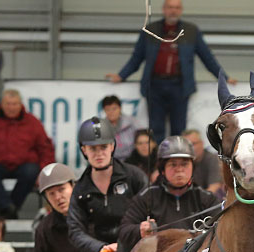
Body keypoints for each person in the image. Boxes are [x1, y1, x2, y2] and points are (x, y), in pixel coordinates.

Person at [106, 0, 236, 141]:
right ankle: (158, 162)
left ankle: (177, 161)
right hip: (154, 86)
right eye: (170, 7)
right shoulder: (150, 30)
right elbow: (136, 58)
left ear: (181, 10)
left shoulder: (191, 31)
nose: (173, 11)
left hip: (180, 87)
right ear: (164, 9)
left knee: (179, 130)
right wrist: (121, 75)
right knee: (156, 130)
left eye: (177, 8)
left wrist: (224, 77)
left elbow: (207, 57)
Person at [118, 135, 218, 252]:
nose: (179, 170)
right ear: (162, 169)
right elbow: (124, 231)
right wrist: (140, 230)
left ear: (192, 167)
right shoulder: (147, 197)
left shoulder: (207, 199)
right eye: (173, 165)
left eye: (184, 164)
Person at [68, 116, 149, 252]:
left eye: (103, 147)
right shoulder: (80, 189)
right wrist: (102, 248)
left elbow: (151, 212)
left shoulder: (135, 177)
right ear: (84, 150)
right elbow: (75, 231)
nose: (99, 153)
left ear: (112, 146)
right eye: (93, 148)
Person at [0, 89, 55, 218]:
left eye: (14, 104)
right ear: (1, 104)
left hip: (24, 166)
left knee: (32, 170)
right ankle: (8, 208)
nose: (11, 107)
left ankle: (7, 209)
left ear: (20, 104)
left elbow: (45, 148)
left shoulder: (33, 122)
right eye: (8, 104)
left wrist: (44, 173)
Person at [182, 128, 222, 194]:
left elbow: (214, 188)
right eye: (186, 145)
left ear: (202, 143)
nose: (190, 148)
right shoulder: (181, 162)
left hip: (209, 201)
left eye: (193, 144)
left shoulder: (212, 159)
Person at [101, 95, 138, 161]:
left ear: (120, 108)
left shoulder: (132, 122)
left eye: (114, 108)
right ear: (104, 110)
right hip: (111, 161)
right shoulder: (101, 127)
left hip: (133, 159)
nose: (111, 112)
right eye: (108, 109)